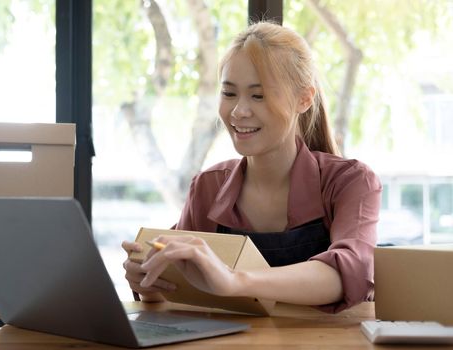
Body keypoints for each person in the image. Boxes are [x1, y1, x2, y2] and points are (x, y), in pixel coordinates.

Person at [122, 21, 381, 313]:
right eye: (229, 93)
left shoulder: (350, 181)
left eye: (258, 95)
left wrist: (234, 280)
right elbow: (178, 286)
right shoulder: (208, 186)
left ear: (304, 98)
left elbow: (350, 273)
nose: (239, 111)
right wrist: (150, 280)